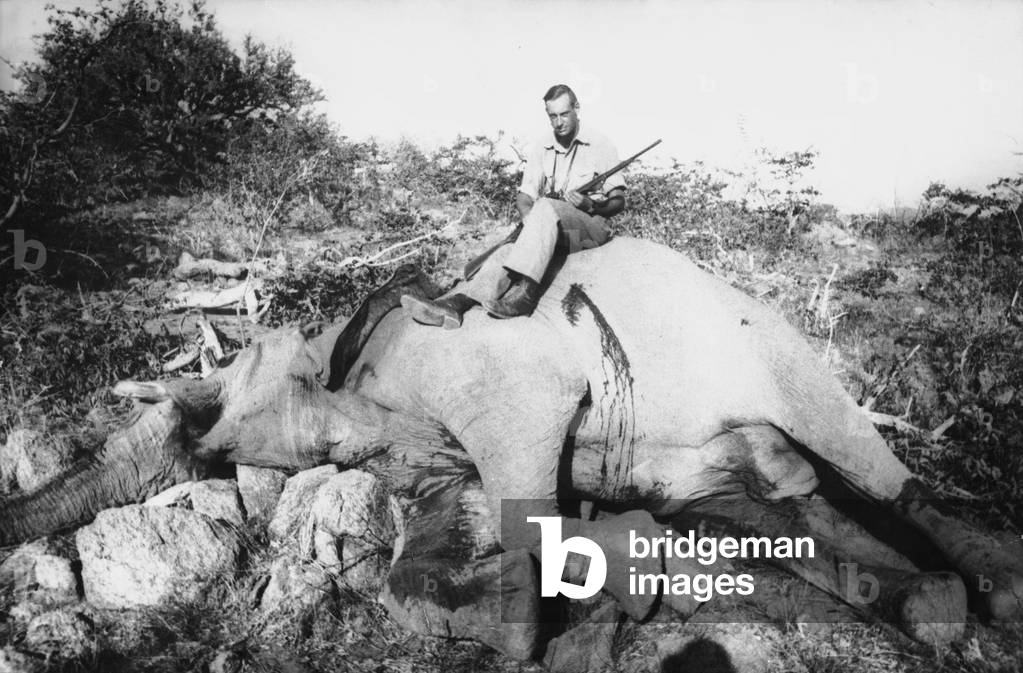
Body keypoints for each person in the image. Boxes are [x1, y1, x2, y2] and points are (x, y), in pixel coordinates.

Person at [402, 83, 627, 329]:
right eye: (552, 116)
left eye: (564, 114)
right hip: (551, 226)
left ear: (577, 109)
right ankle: (457, 304)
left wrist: (591, 205)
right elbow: (525, 196)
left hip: (588, 230)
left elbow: (618, 201)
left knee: (547, 206)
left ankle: (526, 295)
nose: (559, 122)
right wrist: (530, 220)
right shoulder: (542, 146)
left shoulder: (600, 144)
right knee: (505, 251)